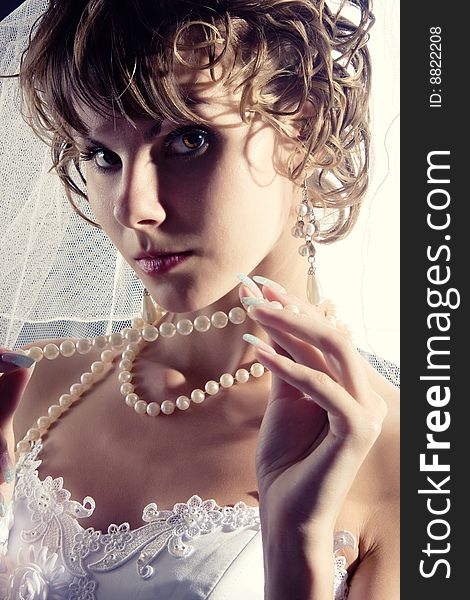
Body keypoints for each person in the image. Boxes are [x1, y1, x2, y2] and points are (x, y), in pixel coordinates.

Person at [0, 0, 400, 598]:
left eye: (187, 140)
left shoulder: (400, 461)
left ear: (303, 123)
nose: (134, 208)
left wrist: (297, 548)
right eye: (101, 155)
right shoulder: (38, 388)